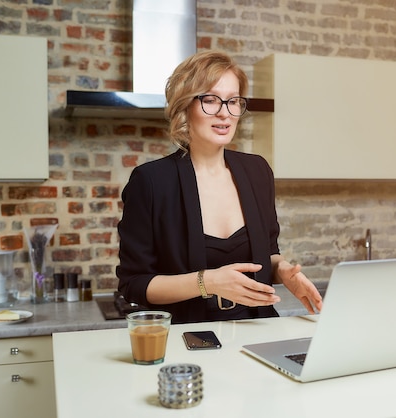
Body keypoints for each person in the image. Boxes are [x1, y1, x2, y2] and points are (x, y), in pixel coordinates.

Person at [116, 50, 323, 323]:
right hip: (189, 336)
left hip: (259, 326)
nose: (225, 114)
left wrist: (283, 270)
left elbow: (268, 254)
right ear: (185, 106)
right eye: (211, 100)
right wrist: (207, 282)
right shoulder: (151, 182)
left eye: (233, 101)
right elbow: (134, 284)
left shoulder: (257, 171)